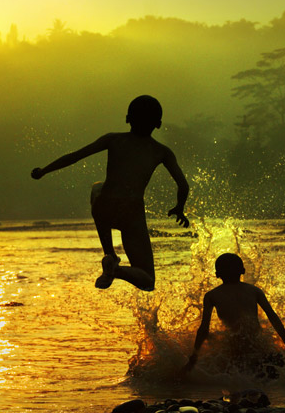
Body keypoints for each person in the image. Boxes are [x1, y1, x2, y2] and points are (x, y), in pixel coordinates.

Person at [31, 95, 189, 291]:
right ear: (158, 124)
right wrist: (179, 208)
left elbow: (75, 157)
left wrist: (44, 170)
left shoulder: (113, 139)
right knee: (148, 281)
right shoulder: (162, 151)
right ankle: (116, 269)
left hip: (104, 207)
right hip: (132, 214)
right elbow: (183, 186)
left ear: (127, 119)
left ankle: (110, 256)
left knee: (98, 189)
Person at [183, 253, 285, 377]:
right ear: (242, 271)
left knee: (236, 377)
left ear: (217, 274)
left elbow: (204, 329)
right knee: (273, 373)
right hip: (257, 344)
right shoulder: (254, 290)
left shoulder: (212, 295)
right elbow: (273, 318)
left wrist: (194, 355)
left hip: (233, 347)